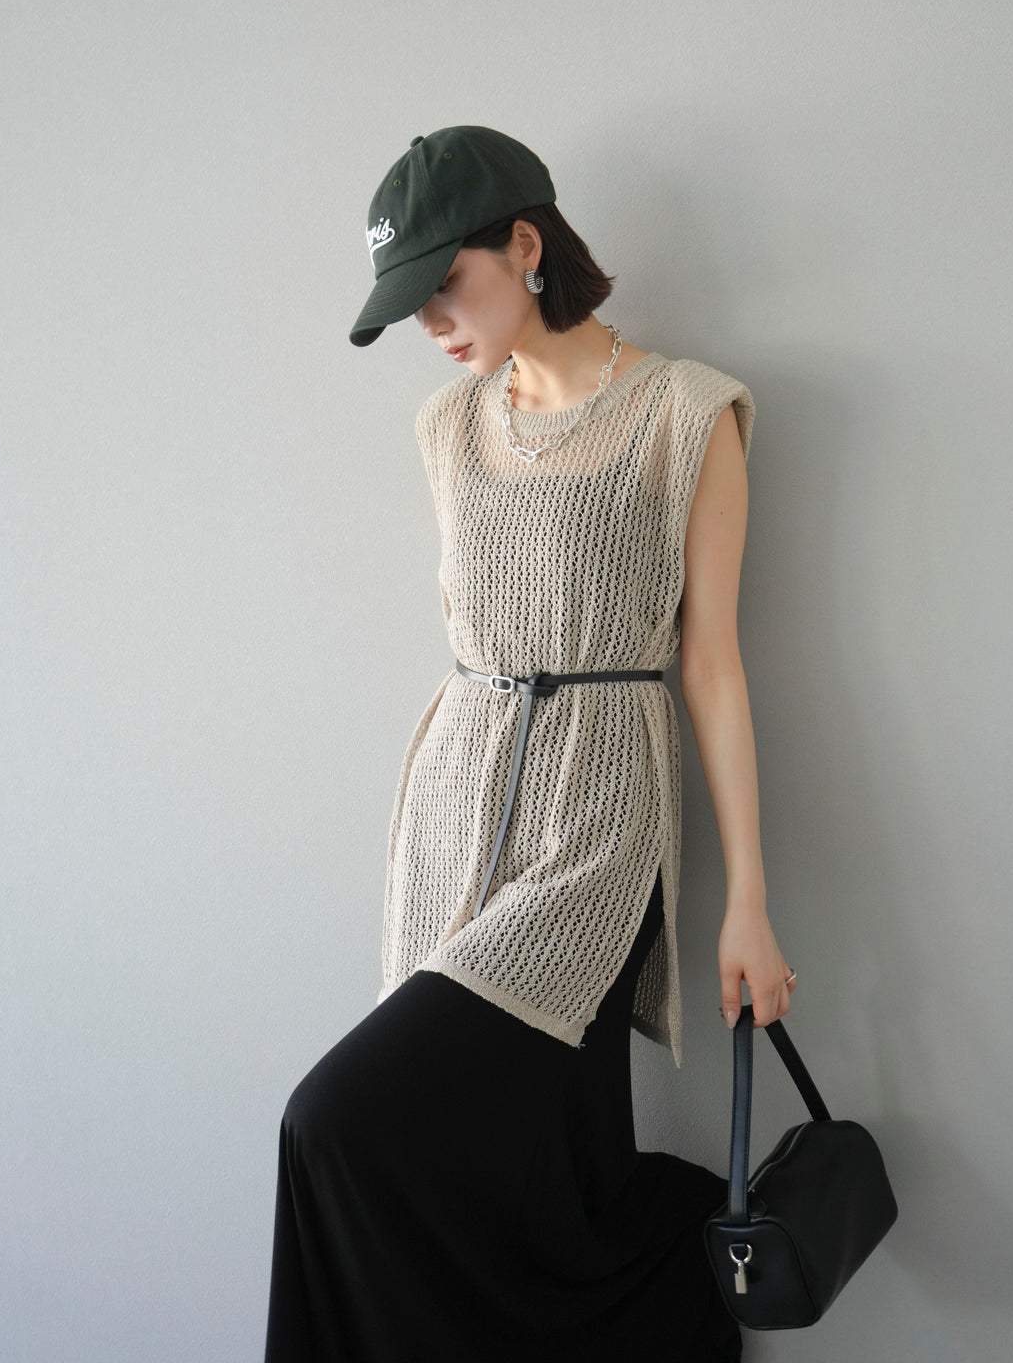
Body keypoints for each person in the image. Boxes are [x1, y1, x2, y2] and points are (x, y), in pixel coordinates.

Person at [263, 125, 798, 1362]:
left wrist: (748, 903)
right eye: (411, 304)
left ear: (524, 243)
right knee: (528, 1167)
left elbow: (711, 664)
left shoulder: (686, 413)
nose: (431, 323)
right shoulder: (445, 429)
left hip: (595, 827)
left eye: (445, 284)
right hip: (453, 811)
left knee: (330, 1121)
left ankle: (672, 1265)